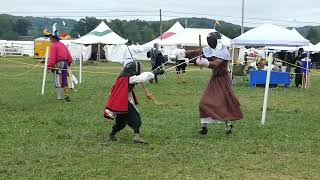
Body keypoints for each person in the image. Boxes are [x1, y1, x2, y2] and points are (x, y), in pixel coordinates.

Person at [103, 61, 165, 144]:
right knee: (135, 117)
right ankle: (137, 137)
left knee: (121, 122)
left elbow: (139, 78)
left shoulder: (124, 76)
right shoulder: (128, 78)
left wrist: (153, 73)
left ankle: (111, 135)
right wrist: (154, 73)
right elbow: (141, 78)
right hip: (122, 101)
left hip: (120, 101)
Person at [196, 45, 243, 135]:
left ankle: (228, 125)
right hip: (214, 80)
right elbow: (199, 52)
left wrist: (205, 63)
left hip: (223, 81)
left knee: (222, 103)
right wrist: (184, 54)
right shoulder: (213, 49)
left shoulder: (223, 52)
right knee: (203, 102)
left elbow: (216, 64)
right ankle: (204, 128)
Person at [44, 24, 73, 101]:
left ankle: (59, 97)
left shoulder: (53, 45)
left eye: (51, 37)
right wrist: (68, 65)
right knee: (64, 80)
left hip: (58, 65)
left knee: (58, 80)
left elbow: (52, 58)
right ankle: (66, 95)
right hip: (65, 64)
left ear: (54, 38)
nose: (50, 39)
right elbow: (69, 57)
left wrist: (49, 67)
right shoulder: (63, 45)